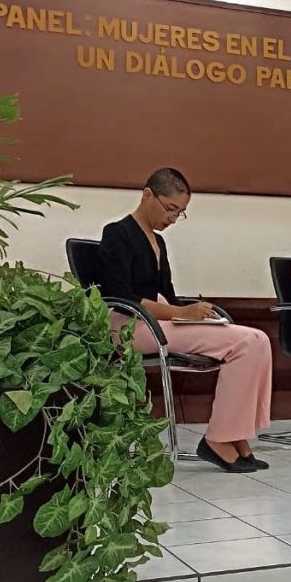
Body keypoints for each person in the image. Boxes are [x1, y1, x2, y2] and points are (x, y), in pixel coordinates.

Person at [97, 168, 272, 472]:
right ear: (147, 194)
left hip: (158, 323)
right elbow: (120, 296)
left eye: (180, 213)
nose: (174, 218)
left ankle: (236, 434)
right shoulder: (117, 233)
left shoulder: (158, 242)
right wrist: (181, 314)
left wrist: (196, 313)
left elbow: (169, 297)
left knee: (259, 339)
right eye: (170, 208)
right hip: (129, 326)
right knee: (244, 343)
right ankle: (218, 439)